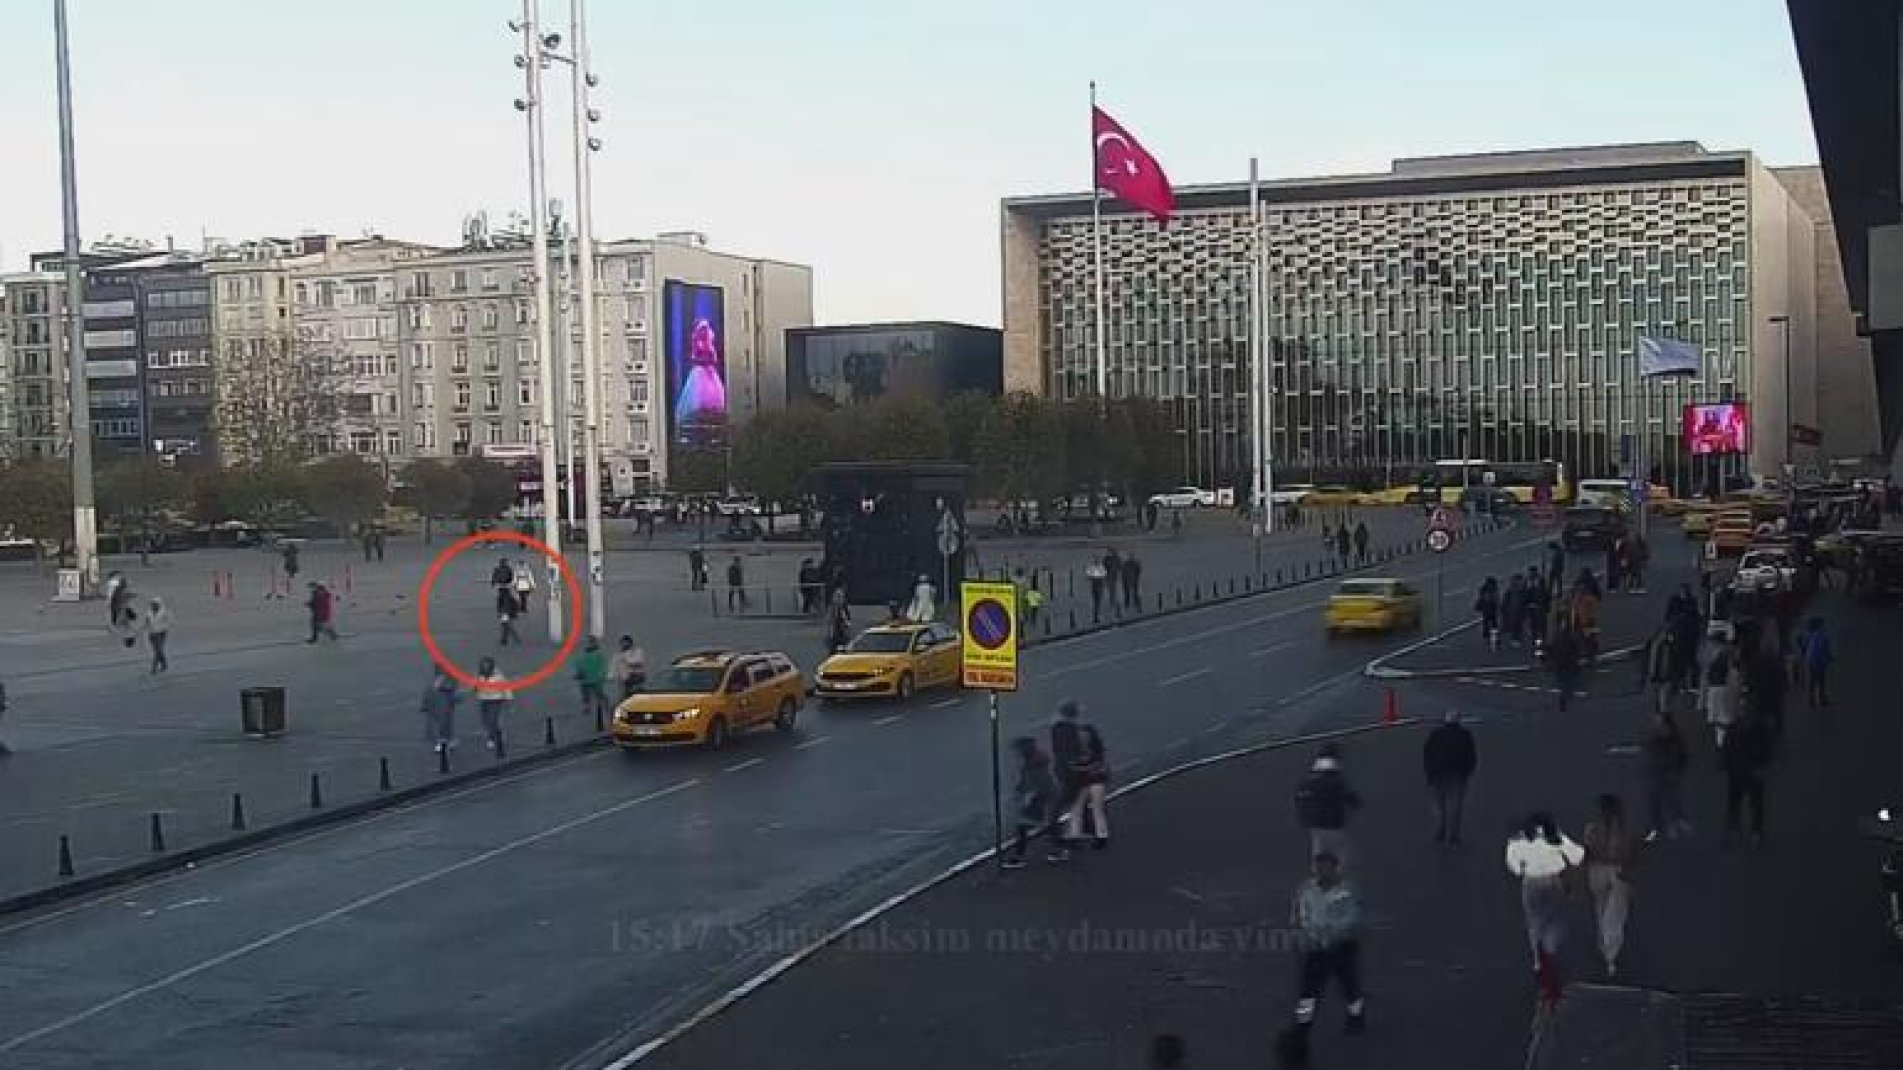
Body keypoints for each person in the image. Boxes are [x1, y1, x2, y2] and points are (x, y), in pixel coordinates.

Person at [1506, 813, 1585, 1000]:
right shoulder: (1555, 838)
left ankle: (1537, 958)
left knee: (1534, 920)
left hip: (1531, 883)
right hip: (1552, 881)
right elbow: (1578, 856)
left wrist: (1523, 869)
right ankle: (1550, 947)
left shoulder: (1518, 840)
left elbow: (1514, 866)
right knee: (1555, 918)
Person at [1290, 851, 1367, 1036]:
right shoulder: (1306, 889)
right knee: (1308, 989)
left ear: (1334, 868)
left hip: (1341, 946)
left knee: (1349, 986)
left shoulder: (1347, 890)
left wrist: (1332, 933)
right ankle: (1303, 1023)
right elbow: (1302, 913)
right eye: (1319, 867)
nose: (1322, 871)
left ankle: (1355, 1016)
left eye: (1326, 867)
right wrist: (1309, 933)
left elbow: (1352, 917)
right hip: (1316, 947)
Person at [1582, 793, 1638, 977]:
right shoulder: (1623, 831)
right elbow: (1629, 854)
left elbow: (1588, 854)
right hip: (1614, 872)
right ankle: (1609, 952)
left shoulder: (1592, 829)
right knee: (1611, 914)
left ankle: (1608, 952)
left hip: (1601, 873)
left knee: (1607, 913)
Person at [1050, 700, 1110, 849]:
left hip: (1080, 775)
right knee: (1096, 806)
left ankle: (1073, 836)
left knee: (1075, 807)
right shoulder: (1088, 730)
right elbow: (1100, 750)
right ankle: (1101, 837)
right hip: (1095, 773)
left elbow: (1062, 754)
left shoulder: (1062, 730)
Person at [1001, 736, 1067, 869]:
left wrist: (1029, 796)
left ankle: (1059, 850)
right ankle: (1058, 849)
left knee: (1046, 825)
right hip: (1043, 797)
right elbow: (1025, 780)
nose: (1016, 753)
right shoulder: (1030, 762)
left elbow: (1042, 783)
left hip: (1047, 798)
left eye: (1018, 750)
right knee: (1029, 825)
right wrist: (1019, 791)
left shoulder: (1035, 763)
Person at [1295, 744, 1362, 865]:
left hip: (1315, 825)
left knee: (1318, 851)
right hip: (1334, 824)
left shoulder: (1309, 779)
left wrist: (1305, 818)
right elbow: (1351, 798)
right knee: (1340, 853)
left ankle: (1319, 877)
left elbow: (1300, 798)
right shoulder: (1336, 779)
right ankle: (1336, 878)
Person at [1422, 711, 1477, 844]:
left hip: (1438, 773)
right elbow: (1471, 756)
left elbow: (1427, 754)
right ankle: (1454, 834)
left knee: (1440, 804)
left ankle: (1441, 829)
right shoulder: (1465, 734)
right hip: (1458, 773)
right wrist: (1467, 772)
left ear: (1446, 720)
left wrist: (1429, 773)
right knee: (1456, 805)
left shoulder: (1436, 734)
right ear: (1458, 721)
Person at [1721, 712, 1771, 846]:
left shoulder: (1734, 729)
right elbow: (1766, 749)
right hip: (1748, 771)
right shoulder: (1760, 729)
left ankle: (1737, 829)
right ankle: (1754, 830)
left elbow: (1726, 751)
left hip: (1739, 772)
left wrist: (1725, 766)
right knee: (1754, 803)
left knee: (1737, 802)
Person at [1641, 711, 1691, 843]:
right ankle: (1657, 827)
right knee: (1654, 802)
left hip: (1670, 775)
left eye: (1660, 724)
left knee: (1671, 800)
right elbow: (1651, 757)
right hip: (1658, 775)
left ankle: (1674, 823)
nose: (1657, 727)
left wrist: (1678, 771)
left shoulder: (1676, 741)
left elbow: (1683, 757)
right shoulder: (1654, 740)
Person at [1703, 630, 1739, 748]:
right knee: (1725, 716)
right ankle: (1724, 740)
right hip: (1726, 686)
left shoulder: (1718, 654)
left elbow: (1711, 671)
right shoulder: (1729, 652)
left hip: (1719, 687)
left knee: (1721, 716)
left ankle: (1722, 741)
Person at [474, 656, 511, 759]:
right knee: (485, 720)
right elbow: (476, 685)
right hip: (483, 699)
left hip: (495, 699)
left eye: (487, 666)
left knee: (492, 719)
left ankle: (492, 739)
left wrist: (508, 699)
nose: (485, 668)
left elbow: (506, 687)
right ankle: (497, 734)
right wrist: (475, 688)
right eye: (483, 666)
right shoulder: (479, 675)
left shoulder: (498, 675)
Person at [420, 668, 461, 755]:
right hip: (439, 708)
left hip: (443, 708)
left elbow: (455, 696)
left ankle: (445, 741)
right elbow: (428, 695)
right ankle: (444, 741)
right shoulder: (436, 685)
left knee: (444, 725)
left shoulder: (446, 684)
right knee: (440, 726)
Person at [1797, 616, 1834, 708]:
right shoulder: (1824, 635)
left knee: (1812, 681)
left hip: (1811, 660)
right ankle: (1822, 699)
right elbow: (1826, 648)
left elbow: (1803, 644)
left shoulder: (1808, 635)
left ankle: (1811, 699)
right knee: (1821, 681)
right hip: (1821, 661)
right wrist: (1830, 657)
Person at [573, 636, 610, 722]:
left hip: (595, 679)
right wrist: (578, 673)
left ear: (593, 643)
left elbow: (602, 667)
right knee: (585, 693)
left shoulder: (598, 654)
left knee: (599, 694)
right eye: (586, 643)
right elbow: (579, 664)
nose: (586, 644)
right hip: (585, 679)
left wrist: (600, 676)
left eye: (589, 642)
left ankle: (605, 708)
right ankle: (587, 706)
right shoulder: (583, 654)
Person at [1549, 625, 1582, 712]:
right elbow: (1576, 651)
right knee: (1569, 682)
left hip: (1560, 665)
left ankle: (1565, 695)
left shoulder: (1557, 639)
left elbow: (1552, 650)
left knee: (1563, 682)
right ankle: (1566, 694)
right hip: (1569, 665)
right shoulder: (1571, 640)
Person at [610, 635, 647, 700]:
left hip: (637, 679)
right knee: (624, 697)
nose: (624, 644)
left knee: (637, 696)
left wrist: (626, 658)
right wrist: (611, 676)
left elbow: (639, 661)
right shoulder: (618, 655)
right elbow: (614, 667)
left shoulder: (636, 651)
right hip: (624, 681)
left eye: (626, 642)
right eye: (622, 643)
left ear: (630, 642)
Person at [143, 597, 173, 674]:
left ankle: (154, 668)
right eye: (152, 604)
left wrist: (164, 628)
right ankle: (164, 664)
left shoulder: (164, 612)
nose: (153, 605)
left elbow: (169, 622)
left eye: (154, 604)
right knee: (157, 651)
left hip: (161, 633)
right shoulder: (148, 613)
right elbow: (146, 623)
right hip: (152, 634)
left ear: (158, 604)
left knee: (158, 651)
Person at [1500, 573, 1527, 647]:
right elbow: (1505, 601)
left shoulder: (1522, 591)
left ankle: (1517, 638)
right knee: (1515, 625)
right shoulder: (1511, 591)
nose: (1519, 582)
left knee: (1519, 625)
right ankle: (1515, 639)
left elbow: (1525, 601)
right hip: (1513, 611)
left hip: (1519, 611)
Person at [1474, 577, 1501, 650]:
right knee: (1491, 624)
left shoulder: (1485, 590)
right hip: (1489, 610)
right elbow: (1496, 601)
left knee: (1490, 624)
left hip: (1489, 610)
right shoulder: (1492, 590)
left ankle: (1491, 639)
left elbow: (1496, 601)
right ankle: (1492, 640)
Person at [1084, 557, 1109, 623]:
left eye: (1097, 561)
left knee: (1097, 601)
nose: (1096, 562)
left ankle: (1097, 615)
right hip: (1095, 584)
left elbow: (1104, 575)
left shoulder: (1100, 567)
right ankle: (1096, 615)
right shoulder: (1094, 567)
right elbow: (1088, 575)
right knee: (1096, 601)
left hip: (1098, 584)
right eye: (1096, 561)